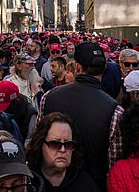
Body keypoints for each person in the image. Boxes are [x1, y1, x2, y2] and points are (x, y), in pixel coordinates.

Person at [39, 42, 118, 190]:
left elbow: (38, 141)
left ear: (77, 67)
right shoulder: (114, 109)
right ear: (104, 68)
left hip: (52, 183)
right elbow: (114, 162)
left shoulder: (49, 97)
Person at [26, 112, 100, 191]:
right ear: (40, 144)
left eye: (68, 144)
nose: (62, 150)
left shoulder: (86, 184)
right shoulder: (27, 181)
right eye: (55, 144)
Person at [0, 80, 38, 146]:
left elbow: (30, 143)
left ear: (15, 101)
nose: (1, 111)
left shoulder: (30, 115)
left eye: (5, 107)